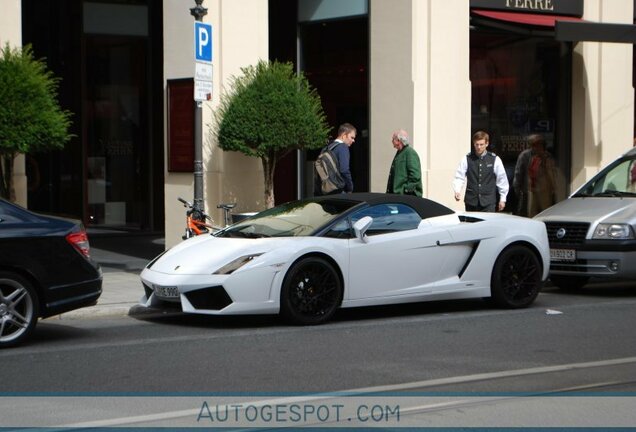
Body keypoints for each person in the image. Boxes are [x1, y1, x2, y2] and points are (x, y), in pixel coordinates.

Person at [452, 130, 508, 212]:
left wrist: (503, 199)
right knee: (471, 224)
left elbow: (502, 179)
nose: (479, 147)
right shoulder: (467, 158)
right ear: (474, 144)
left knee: (487, 224)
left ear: (487, 144)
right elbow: (459, 176)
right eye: (476, 144)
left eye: (481, 144)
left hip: (488, 202)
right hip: (471, 201)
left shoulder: (494, 159)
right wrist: (457, 190)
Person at [513, 134, 556, 217]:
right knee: (530, 213)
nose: (537, 147)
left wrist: (553, 188)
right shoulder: (525, 156)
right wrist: (517, 188)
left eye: (539, 144)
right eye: (534, 144)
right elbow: (518, 173)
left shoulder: (547, 156)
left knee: (546, 213)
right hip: (529, 190)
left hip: (544, 191)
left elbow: (551, 173)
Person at [314, 123, 356, 195]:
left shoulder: (326, 147)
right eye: (352, 137)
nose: (353, 140)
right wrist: (350, 187)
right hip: (338, 190)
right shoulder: (342, 147)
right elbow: (344, 170)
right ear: (344, 135)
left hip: (324, 190)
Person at [386, 129, 423, 196]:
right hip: (398, 195)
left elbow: (415, 176)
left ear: (399, 140)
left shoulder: (409, 153)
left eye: (393, 139)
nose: (392, 141)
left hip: (405, 197)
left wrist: (406, 190)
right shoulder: (400, 152)